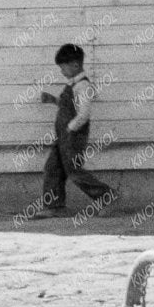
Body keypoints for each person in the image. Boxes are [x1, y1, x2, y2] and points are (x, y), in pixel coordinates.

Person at [39, 42, 112, 216]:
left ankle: (106, 197)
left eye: (63, 68)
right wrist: (53, 100)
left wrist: (69, 130)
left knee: (74, 171)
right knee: (52, 168)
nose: (62, 72)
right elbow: (69, 106)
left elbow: (83, 114)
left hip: (73, 137)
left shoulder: (83, 86)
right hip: (64, 137)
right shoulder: (72, 85)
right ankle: (54, 206)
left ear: (75, 65)